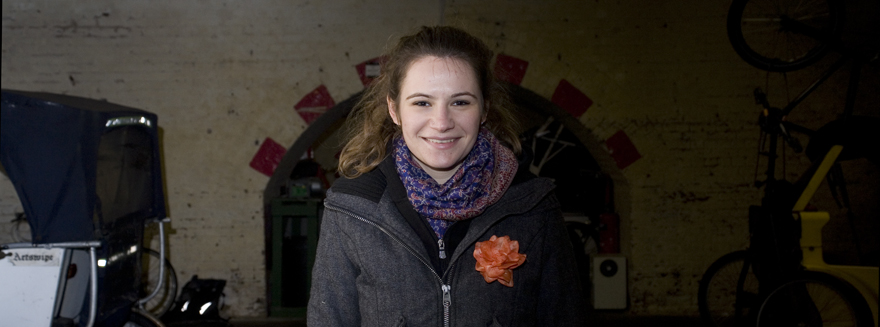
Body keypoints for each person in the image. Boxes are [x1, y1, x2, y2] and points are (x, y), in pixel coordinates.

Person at [307, 25, 587, 326]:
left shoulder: (532, 204)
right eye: (422, 102)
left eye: (460, 102)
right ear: (394, 110)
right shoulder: (351, 207)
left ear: (483, 109)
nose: (441, 123)